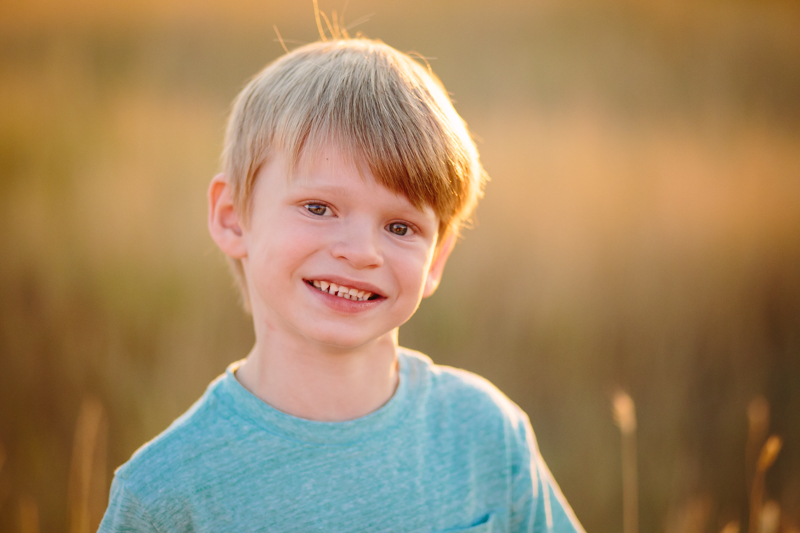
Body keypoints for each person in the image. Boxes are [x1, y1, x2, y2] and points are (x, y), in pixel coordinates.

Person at [99, 37, 585, 533]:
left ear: (437, 256)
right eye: (318, 208)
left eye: (400, 227)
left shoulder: (485, 434)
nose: (361, 252)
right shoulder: (166, 493)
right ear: (233, 218)